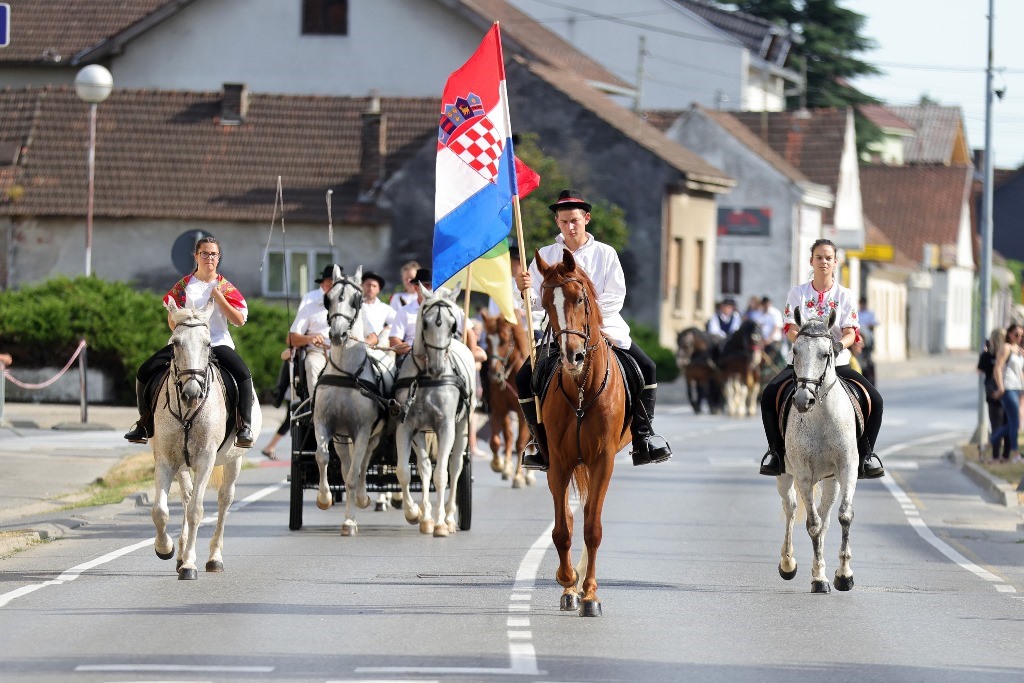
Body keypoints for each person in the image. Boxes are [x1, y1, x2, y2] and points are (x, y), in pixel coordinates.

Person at [513, 189, 672, 470]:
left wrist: (588, 323)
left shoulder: (605, 254)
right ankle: (539, 443)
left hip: (604, 328)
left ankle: (643, 438)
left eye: (574, 220)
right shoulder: (546, 256)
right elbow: (535, 305)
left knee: (647, 367)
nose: (569, 226)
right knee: (525, 376)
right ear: (557, 223)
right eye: (563, 221)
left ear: (586, 218)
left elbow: (615, 296)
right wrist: (524, 292)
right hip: (560, 333)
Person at [758, 238, 885, 479]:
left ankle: (866, 455)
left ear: (836, 263)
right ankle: (776, 453)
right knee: (769, 395)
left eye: (828, 257)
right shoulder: (798, 293)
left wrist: (836, 346)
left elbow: (851, 333)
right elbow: (789, 327)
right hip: (802, 361)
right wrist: (806, 345)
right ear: (811, 261)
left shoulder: (845, 295)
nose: (823, 261)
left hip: (836, 362)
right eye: (819, 257)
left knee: (876, 401)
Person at [124, 236, 256, 447]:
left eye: (213, 254)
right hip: (186, 342)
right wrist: (183, 333)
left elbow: (239, 320)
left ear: (218, 257)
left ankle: (244, 426)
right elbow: (171, 315)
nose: (209, 258)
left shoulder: (225, 287)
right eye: (204, 253)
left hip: (216, 342)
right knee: (144, 370)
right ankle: (144, 423)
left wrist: (220, 299)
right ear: (196, 256)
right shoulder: (184, 285)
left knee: (242, 372)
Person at [287, 264, 341, 396]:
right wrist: (310, 338)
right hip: (317, 351)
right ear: (322, 285)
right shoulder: (310, 307)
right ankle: (316, 406)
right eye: (330, 284)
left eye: (337, 284)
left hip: (343, 352)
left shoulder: (349, 308)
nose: (334, 288)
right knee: (312, 365)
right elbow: (292, 338)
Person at [988, 324, 1023, 462]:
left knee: (1012, 423)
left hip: (1017, 388)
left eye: (1022, 335)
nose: (1019, 337)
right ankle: (1015, 454)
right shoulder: (1006, 348)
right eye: (1016, 334)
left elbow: (1020, 371)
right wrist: (1001, 387)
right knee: (1014, 422)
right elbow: (997, 368)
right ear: (1009, 334)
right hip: (1007, 388)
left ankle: (987, 445)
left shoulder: (1018, 350)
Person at [978, 327, 1010, 462]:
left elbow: (979, 370)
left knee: (996, 424)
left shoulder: (986, 355)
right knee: (1008, 423)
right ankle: (1006, 456)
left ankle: (995, 456)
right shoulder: (1009, 354)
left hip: (992, 391)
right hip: (1008, 389)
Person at [261, 348, 293, 460]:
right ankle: (270, 447)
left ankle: (270, 447)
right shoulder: (301, 342)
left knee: (289, 420)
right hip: (294, 392)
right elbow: (284, 354)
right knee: (289, 420)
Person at [360, 270, 395, 345]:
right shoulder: (355, 307)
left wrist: (387, 329)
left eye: (374, 286)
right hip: (357, 344)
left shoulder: (385, 308)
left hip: (379, 347)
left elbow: (397, 322)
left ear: (378, 290)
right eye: (368, 285)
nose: (371, 288)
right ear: (361, 286)